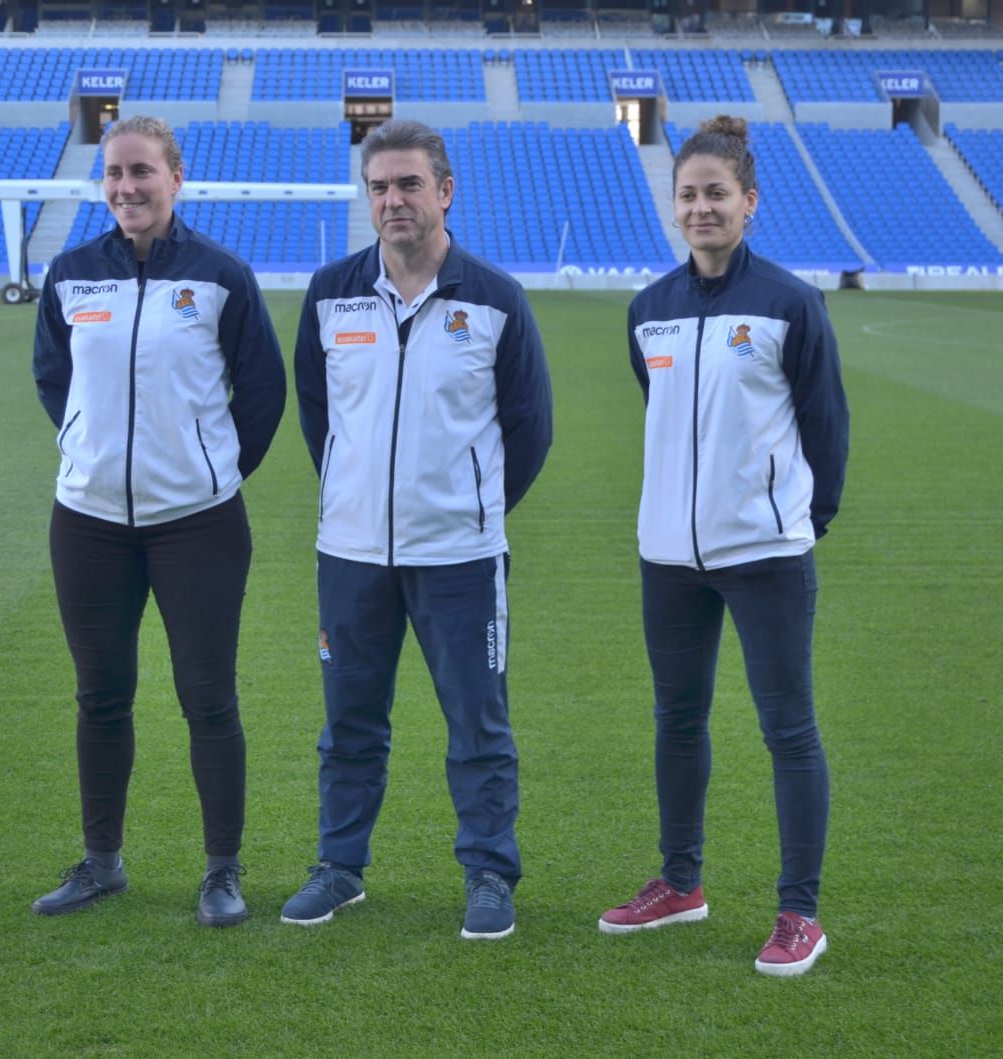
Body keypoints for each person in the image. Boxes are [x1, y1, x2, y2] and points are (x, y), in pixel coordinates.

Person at [282, 119, 553, 940]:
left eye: (408, 184)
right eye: (379, 187)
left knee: (478, 723)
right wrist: (359, 498)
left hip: (461, 558)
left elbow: (528, 428)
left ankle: (489, 873)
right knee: (350, 724)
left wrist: (465, 508)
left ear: (445, 190)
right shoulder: (332, 294)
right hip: (352, 555)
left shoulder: (495, 297)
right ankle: (339, 866)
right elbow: (318, 414)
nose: (393, 200)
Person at [599, 115, 849, 977]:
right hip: (668, 554)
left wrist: (796, 523)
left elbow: (825, 427)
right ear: (674, 207)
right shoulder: (649, 311)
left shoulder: (789, 303)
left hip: (767, 555)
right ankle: (680, 883)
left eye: (717, 193)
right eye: (689, 194)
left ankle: (799, 912)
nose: (701, 207)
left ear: (749, 202)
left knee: (789, 728)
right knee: (677, 719)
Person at [29, 115, 286, 926]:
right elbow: (54, 379)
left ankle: (221, 871)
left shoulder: (221, 275)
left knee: (207, 697)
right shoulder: (72, 274)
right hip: (89, 522)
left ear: (177, 176)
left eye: (142, 171)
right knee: (100, 695)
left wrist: (206, 473)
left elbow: (263, 392)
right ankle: (102, 863)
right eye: (113, 174)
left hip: (199, 525)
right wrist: (90, 452)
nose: (126, 188)